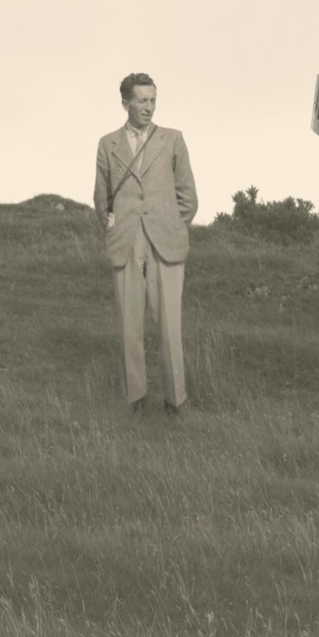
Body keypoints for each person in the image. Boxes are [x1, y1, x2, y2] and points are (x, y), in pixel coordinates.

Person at [93, 73, 198, 414]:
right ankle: (134, 398)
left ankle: (175, 400)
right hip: (126, 241)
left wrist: (170, 225)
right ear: (125, 103)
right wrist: (115, 225)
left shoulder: (172, 139)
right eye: (141, 101)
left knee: (170, 326)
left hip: (165, 242)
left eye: (152, 100)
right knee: (129, 326)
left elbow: (188, 198)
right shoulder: (107, 143)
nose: (149, 107)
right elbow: (101, 199)